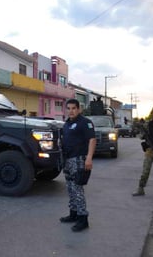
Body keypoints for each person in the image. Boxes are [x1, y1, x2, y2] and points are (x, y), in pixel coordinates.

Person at [60, 98, 96, 232]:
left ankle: (83, 218)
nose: (71, 111)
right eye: (68, 108)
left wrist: (89, 158)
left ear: (79, 109)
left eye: (73, 108)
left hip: (79, 159)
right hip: (68, 160)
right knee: (70, 187)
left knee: (77, 189)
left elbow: (92, 140)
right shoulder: (67, 123)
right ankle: (73, 213)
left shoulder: (85, 122)